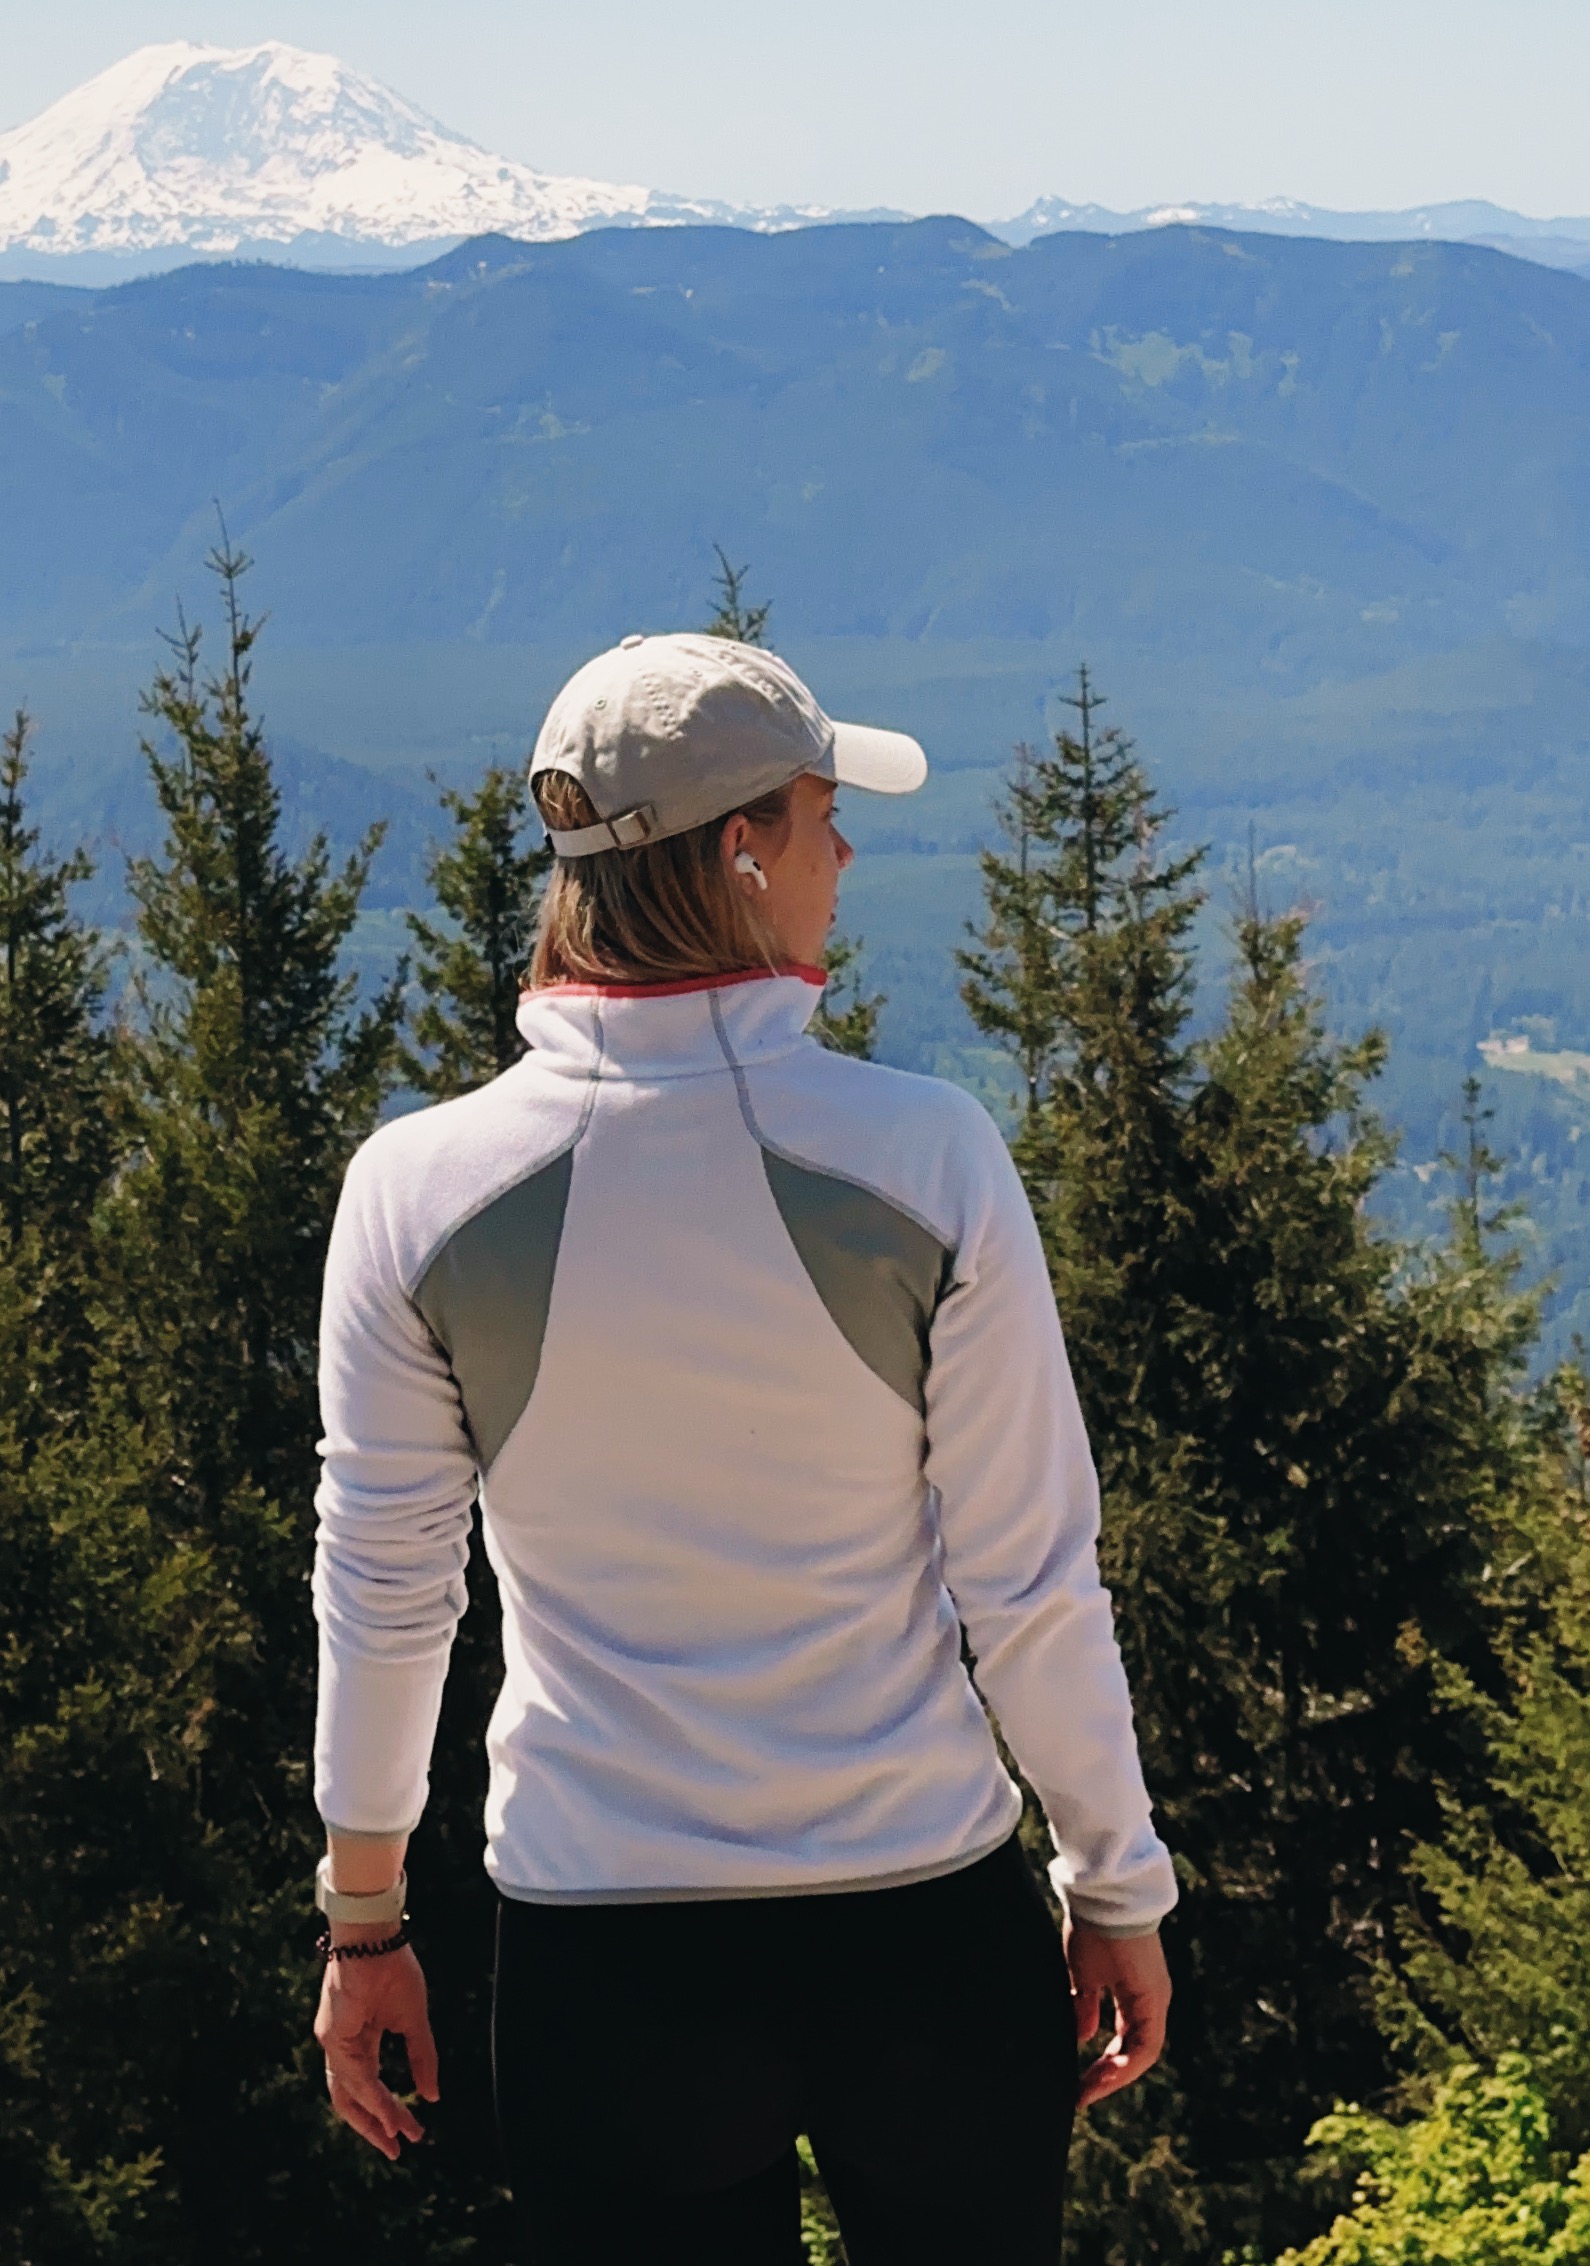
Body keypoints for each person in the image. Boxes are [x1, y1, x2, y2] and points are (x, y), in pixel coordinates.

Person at [310, 632, 1176, 2264]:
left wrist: (366, 1920)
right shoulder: (924, 1159)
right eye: (821, 810)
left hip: (605, 1957)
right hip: (922, 1931)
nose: (844, 850)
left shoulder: (416, 1195)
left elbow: (385, 1591)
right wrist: (1114, 1878)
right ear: (741, 849)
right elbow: (1031, 1574)